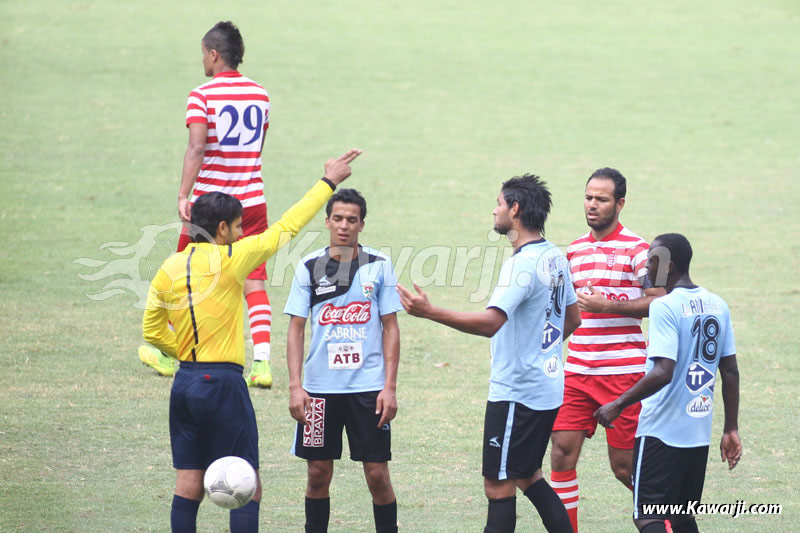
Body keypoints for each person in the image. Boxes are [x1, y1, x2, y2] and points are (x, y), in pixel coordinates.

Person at [142, 150, 362, 533]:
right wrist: (327, 182)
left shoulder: (169, 268)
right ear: (223, 229)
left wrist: (187, 354)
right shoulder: (233, 259)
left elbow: (152, 330)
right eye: (240, 226)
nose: (244, 233)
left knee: (188, 483)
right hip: (224, 385)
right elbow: (285, 228)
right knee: (249, 483)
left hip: (186, 383)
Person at [398, 174, 581, 533]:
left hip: (517, 392)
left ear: (514, 209)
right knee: (529, 475)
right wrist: (540, 350)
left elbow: (490, 323)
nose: (494, 210)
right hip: (546, 387)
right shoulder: (555, 256)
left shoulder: (522, 265)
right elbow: (572, 318)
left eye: (498, 203)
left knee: (498, 485)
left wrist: (430, 312)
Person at [139, 21, 275, 388]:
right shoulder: (261, 95)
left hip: (211, 205)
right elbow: (256, 148)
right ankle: (262, 363)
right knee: (254, 278)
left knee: (183, 273)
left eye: (203, 54)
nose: (203, 60)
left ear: (213, 54)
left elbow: (197, 146)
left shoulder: (202, 95)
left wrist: (184, 194)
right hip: (252, 201)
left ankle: (169, 352)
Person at [594, 233, 741, 533]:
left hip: (661, 432)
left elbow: (663, 371)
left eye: (651, 260)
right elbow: (730, 371)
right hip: (697, 434)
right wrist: (731, 428)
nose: (646, 266)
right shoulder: (717, 304)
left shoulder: (664, 307)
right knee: (681, 515)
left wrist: (618, 404)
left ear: (668, 266)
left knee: (648, 516)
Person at [550, 168, 666, 533]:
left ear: (620, 204)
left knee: (624, 469)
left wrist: (608, 307)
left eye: (601, 199)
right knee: (560, 455)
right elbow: (567, 310)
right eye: (588, 197)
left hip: (625, 375)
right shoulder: (574, 249)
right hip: (578, 371)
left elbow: (660, 302)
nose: (593, 205)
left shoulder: (640, 249)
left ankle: (667, 519)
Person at [285, 188, 401, 533]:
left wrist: (389, 387)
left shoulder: (379, 266)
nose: (344, 226)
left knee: (378, 475)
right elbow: (295, 329)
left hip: (369, 391)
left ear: (362, 224)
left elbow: (391, 328)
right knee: (318, 475)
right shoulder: (308, 266)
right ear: (327, 221)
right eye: (338, 219)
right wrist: (295, 386)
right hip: (319, 393)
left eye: (352, 220)